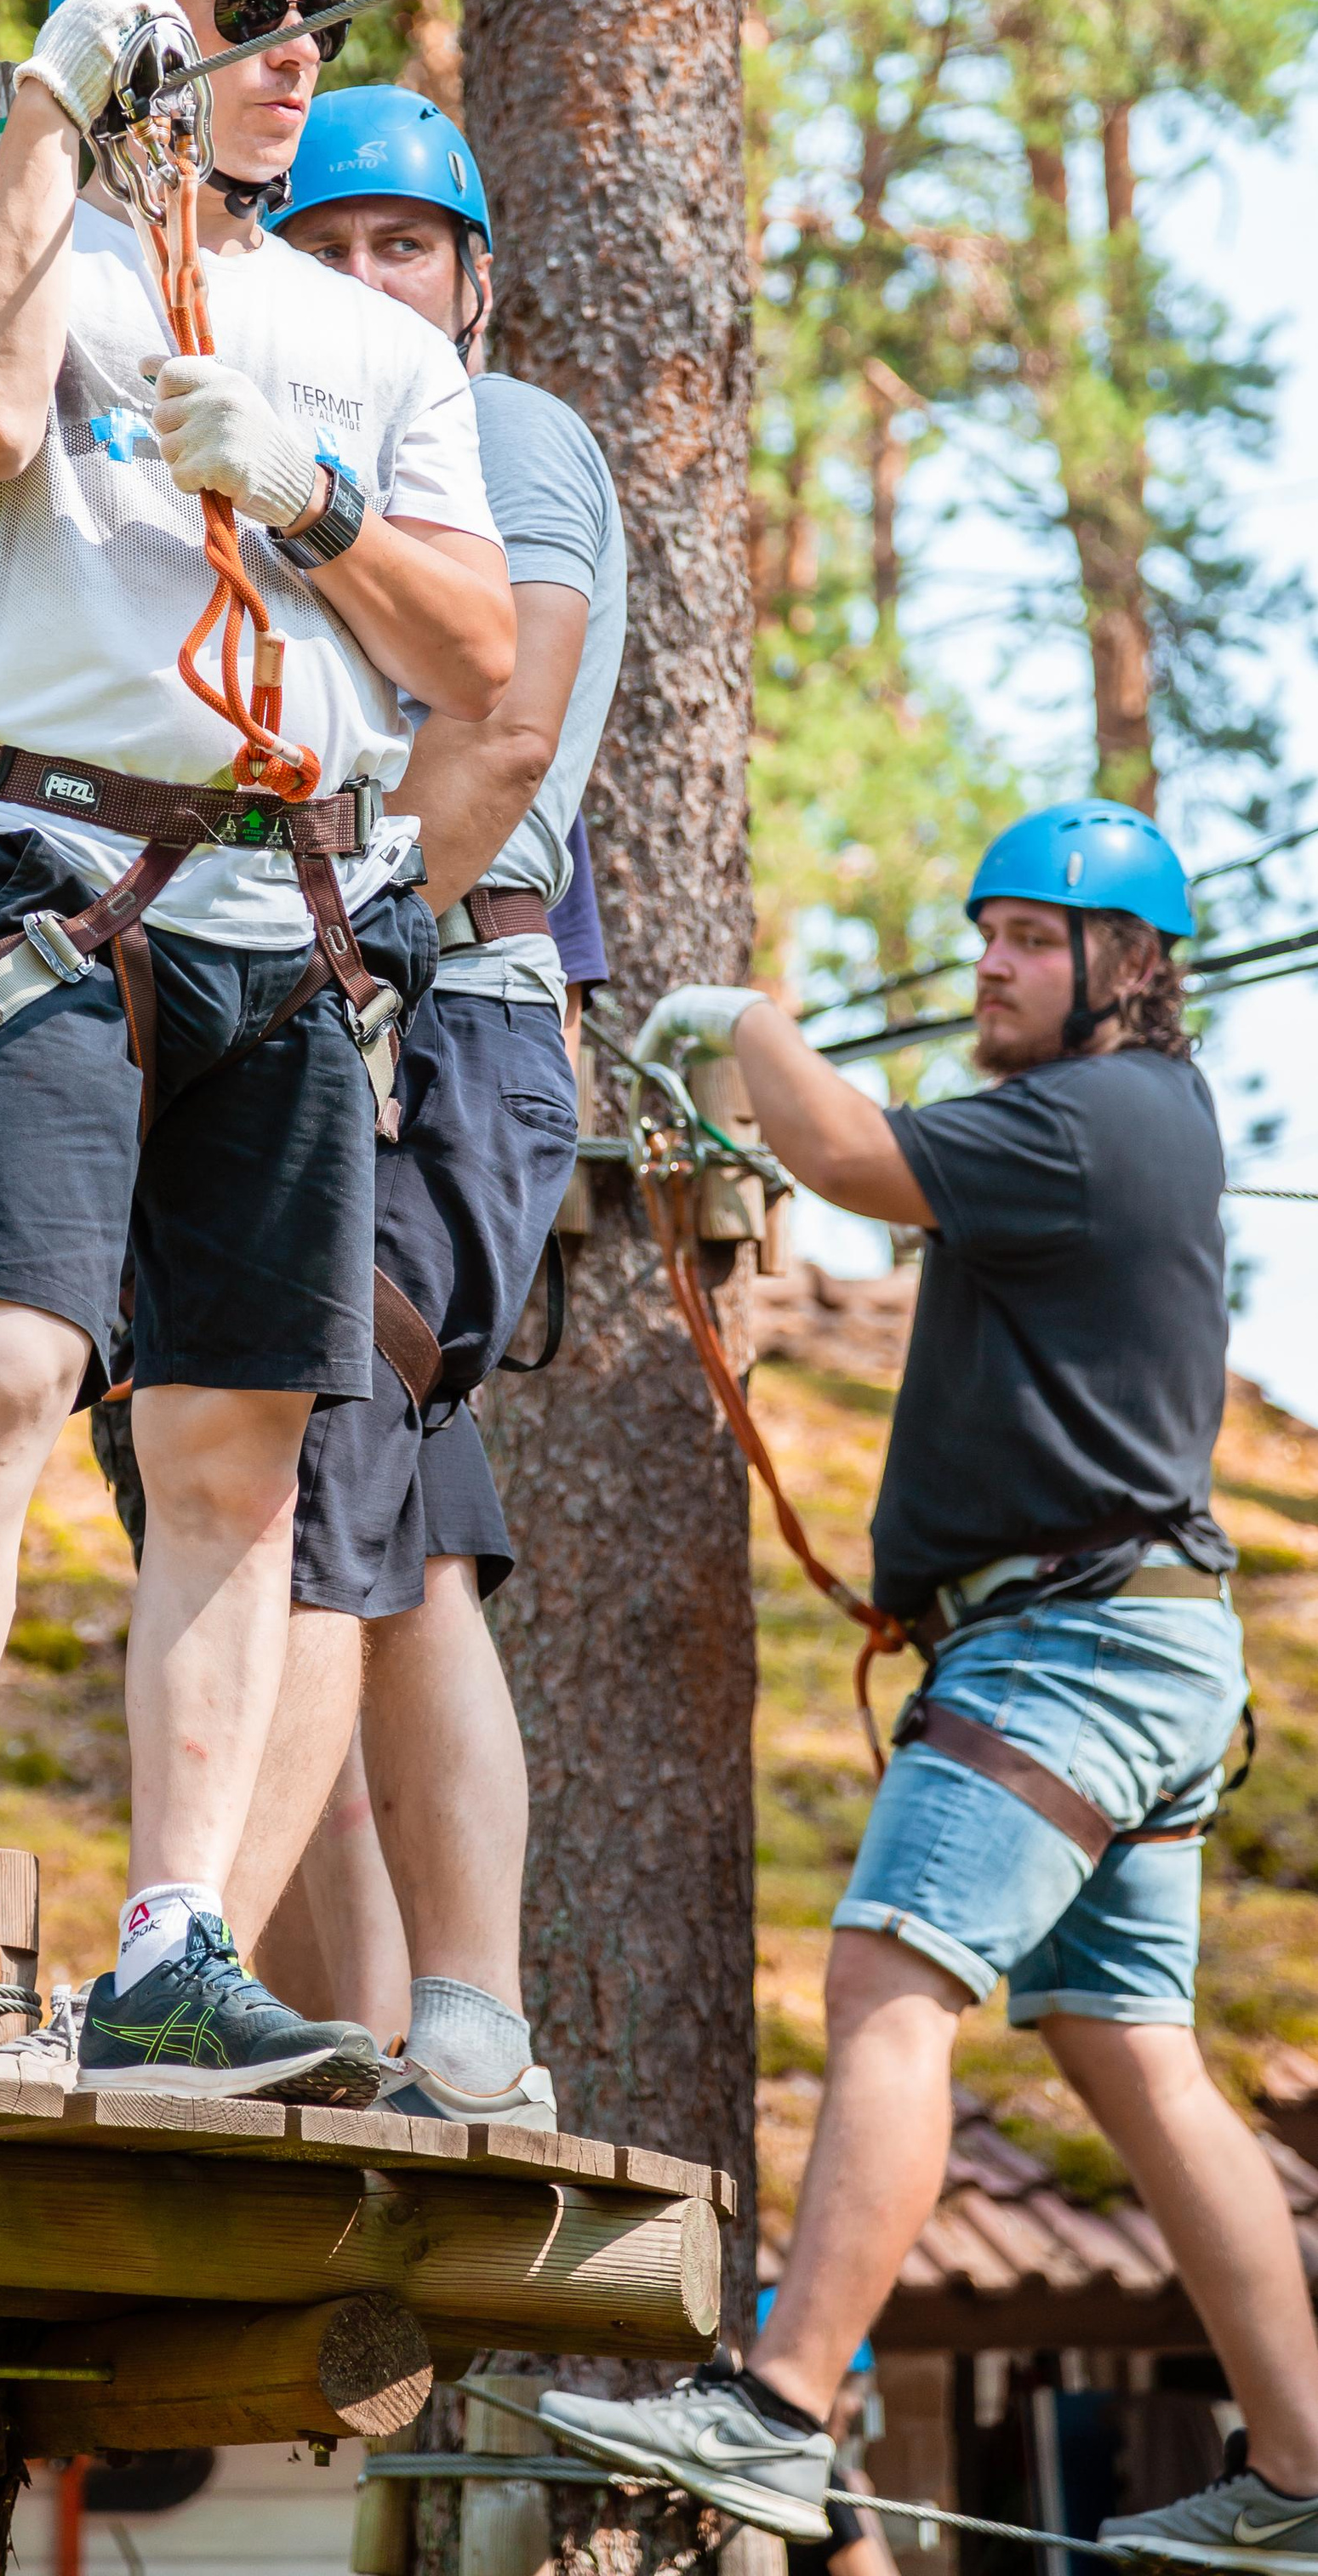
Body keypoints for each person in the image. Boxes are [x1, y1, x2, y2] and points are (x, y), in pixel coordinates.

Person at [0, 0, 514, 2096]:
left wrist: (307, 498)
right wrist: (42, 125)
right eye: (238, 11)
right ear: (133, 20)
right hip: (53, 874)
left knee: (234, 1457)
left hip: (290, 917)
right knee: (6, 1369)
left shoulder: (369, 346)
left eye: (313, 11)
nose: (292, 54)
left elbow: (483, 657)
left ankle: (176, 1941)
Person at [537, 801, 1318, 2572]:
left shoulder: (1092, 1116)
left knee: (890, 1972)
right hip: (1129, 1644)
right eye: (982, 932)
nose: (987, 961)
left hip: (1074, 1647)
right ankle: (1298, 2469)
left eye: (1030, 939)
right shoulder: (1118, 1121)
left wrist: (734, 1021)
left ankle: (780, 2409)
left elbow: (841, 1155)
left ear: (1127, 970)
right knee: (1129, 2055)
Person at [213, 85, 626, 2123]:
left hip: (432, 1000)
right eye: (328, 243)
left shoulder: (501, 437)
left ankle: (200, 1963)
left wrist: (359, 948)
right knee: (394, 1539)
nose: (365, 279)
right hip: (322, 994)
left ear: (471, 281)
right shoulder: (308, 458)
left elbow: (504, 711)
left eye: (404, 247)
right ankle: (405, 2042)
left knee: (301, 1466)